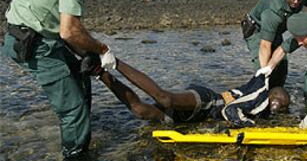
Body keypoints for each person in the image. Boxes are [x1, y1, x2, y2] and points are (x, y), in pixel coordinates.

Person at [2, 0, 119, 158]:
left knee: (80, 80)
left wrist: (88, 54)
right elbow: (69, 31)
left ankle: (78, 133)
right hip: (32, 44)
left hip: (38, 37)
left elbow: (65, 31)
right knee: (73, 109)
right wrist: (103, 49)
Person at [82, 55, 290, 127]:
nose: (277, 108)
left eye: (282, 108)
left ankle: (100, 72)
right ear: (272, 95)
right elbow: (231, 111)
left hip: (195, 118)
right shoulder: (259, 95)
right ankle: (114, 61)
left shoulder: (264, 108)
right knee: (165, 99)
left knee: (140, 111)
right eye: (279, 103)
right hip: (208, 100)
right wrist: (249, 126)